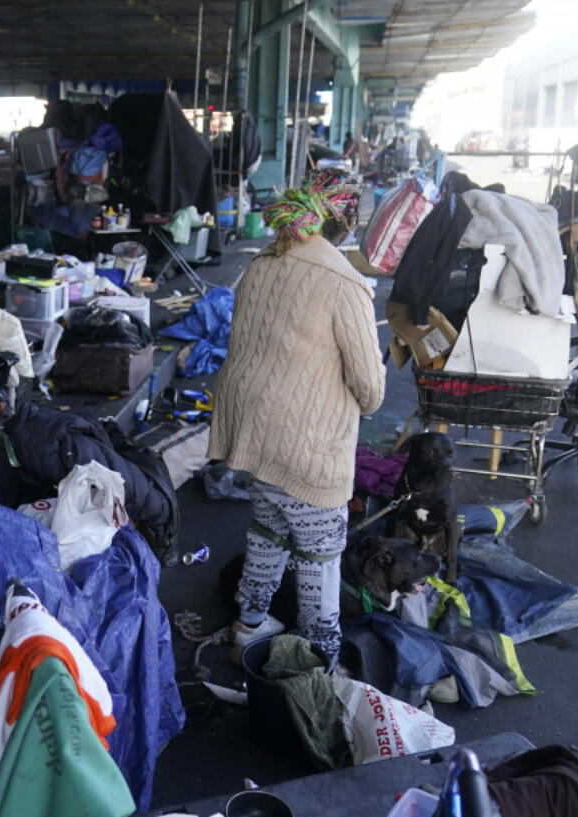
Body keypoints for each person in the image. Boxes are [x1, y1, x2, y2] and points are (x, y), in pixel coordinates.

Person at [208, 169, 385, 673]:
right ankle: (317, 665)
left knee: (268, 532)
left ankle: (249, 627)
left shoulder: (262, 262)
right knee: (320, 560)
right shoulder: (342, 282)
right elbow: (370, 394)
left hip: (253, 437)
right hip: (308, 447)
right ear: (346, 222)